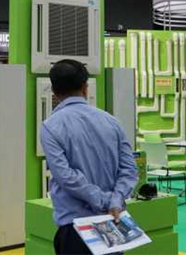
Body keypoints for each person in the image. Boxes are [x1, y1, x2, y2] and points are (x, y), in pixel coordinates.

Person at [40, 60, 137, 255]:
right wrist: (114, 200)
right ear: (85, 88)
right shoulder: (112, 121)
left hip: (75, 227)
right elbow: (129, 169)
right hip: (113, 220)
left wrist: (102, 200)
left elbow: (65, 176)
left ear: (54, 91)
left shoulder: (50, 126)